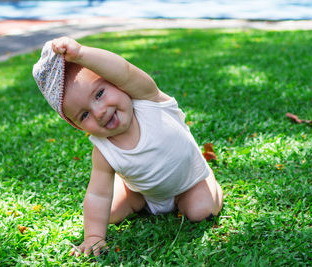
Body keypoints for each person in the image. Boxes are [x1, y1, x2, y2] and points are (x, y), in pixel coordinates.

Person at [32, 36, 223, 257]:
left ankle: (208, 178)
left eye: (100, 94)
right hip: (143, 192)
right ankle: (129, 191)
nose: (99, 111)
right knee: (110, 213)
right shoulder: (103, 150)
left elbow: (124, 70)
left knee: (201, 212)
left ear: (116, 83)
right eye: (84, 115)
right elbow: (97, 195)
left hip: (190, 181)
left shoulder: (149, 99)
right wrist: (93, 237)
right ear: (77, 126)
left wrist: (81, 54)